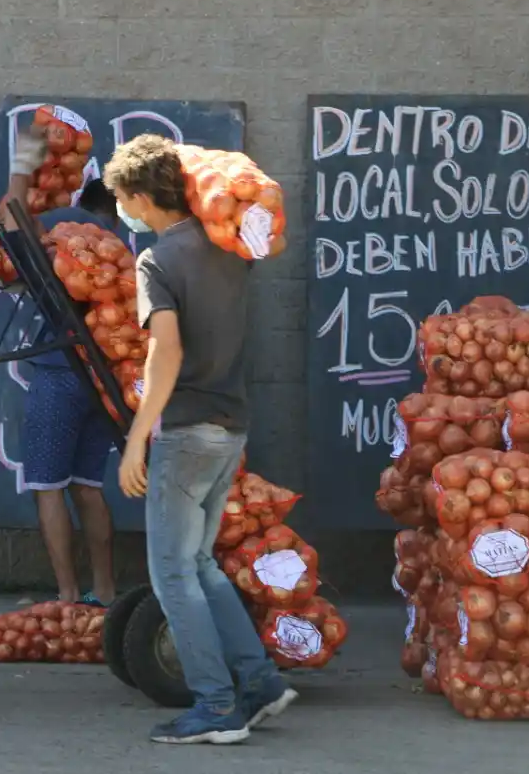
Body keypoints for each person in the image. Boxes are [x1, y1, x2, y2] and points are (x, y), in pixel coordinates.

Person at [103, 135, 296, 745]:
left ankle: (216, 706)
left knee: (171, 574)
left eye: (122, 202)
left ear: (138, 196)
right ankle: (259, 682)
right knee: (200, 563)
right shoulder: (227, 247)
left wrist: (138, 439)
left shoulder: (158, 261)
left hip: (186, 431)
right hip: (230, 426)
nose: (123, 212)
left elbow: (165, 352)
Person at [0, 177, 120, 606]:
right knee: (88, 486)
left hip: (58, 371)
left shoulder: (70, 234)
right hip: (103, 378)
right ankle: (104, 590)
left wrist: (23, 169)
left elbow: (12, 224)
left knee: (49, 486)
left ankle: (66, 595)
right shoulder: (119, 252)